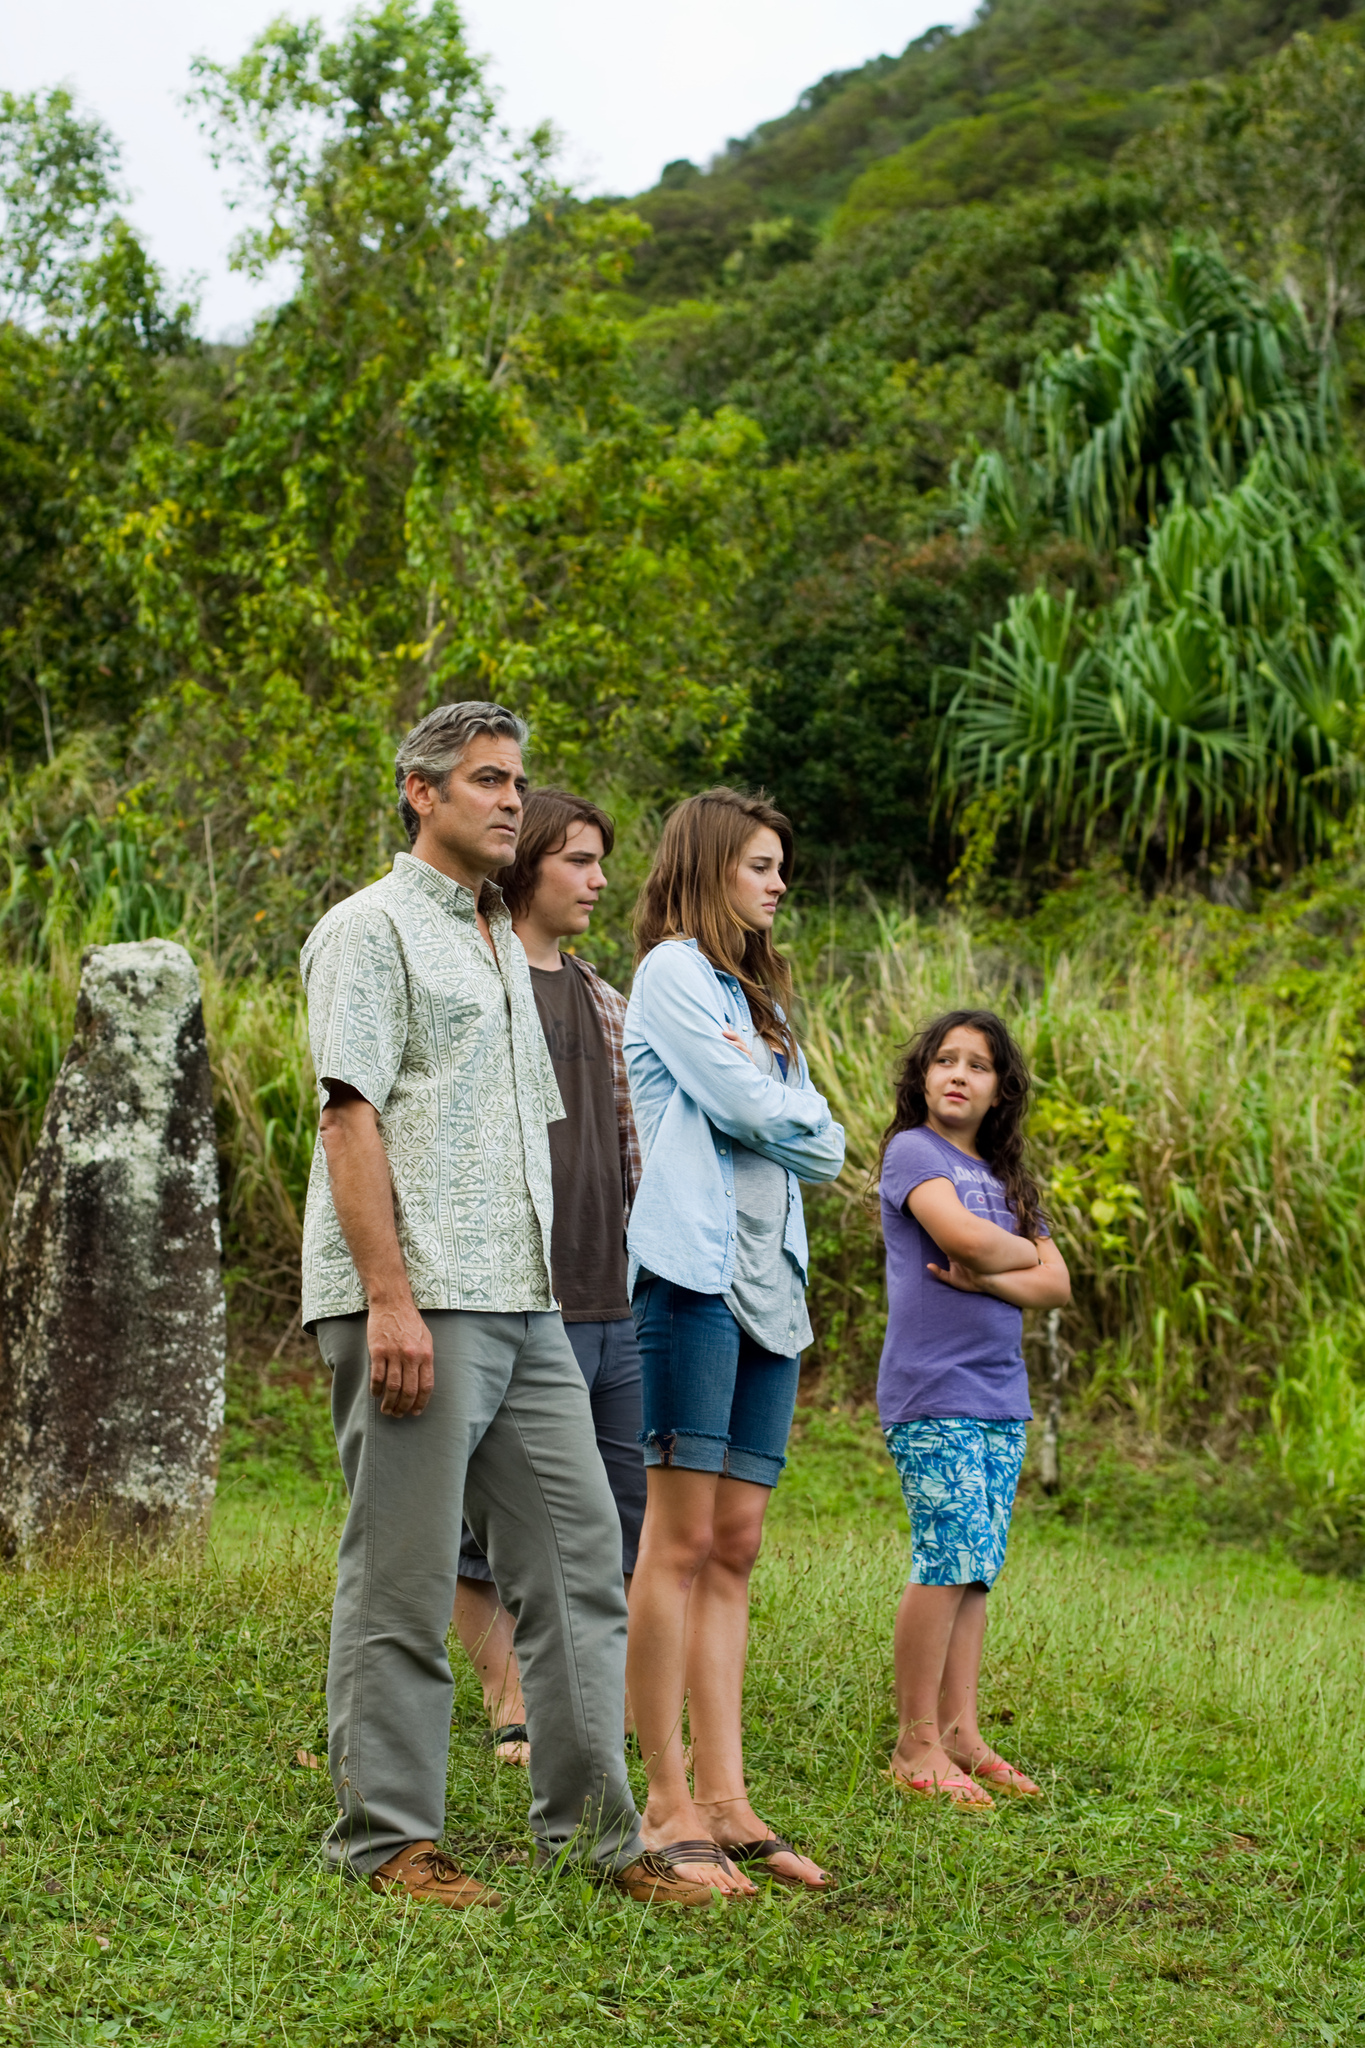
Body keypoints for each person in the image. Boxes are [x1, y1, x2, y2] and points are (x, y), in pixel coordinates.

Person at [299, 700, 714, 1910]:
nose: (508, 800)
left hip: (527, 1303)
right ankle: (388, 1842)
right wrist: (389, 1300)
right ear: (418, 792)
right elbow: (347, 1115)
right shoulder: (367, 930)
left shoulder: (496, 934)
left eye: (516, 781)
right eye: (484, 779)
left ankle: (601, 1839)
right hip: (417, 1304)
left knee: (582, 1561)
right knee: (406, 1573)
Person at [622, 787, 845, 1897]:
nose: (776, 883)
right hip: (691, 1277)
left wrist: (791, 1112)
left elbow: (820, 1142)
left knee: (738, 1542)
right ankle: (663, 1804)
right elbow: (767, 1118)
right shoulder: (669, 973)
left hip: (771, 1290)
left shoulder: (760, 1001)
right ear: (710, 865)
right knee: (677, 1536)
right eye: (759, 864)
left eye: (781, 867)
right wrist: (790, 1112)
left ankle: (727, 1791)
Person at [451, 788, 646, 1768]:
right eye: (578, 859)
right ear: (527, 862)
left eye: (601, 860)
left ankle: (588, 1701)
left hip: (613, 1295)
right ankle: (508, 1693)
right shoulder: (474, 981)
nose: (598, 879)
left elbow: (626, 1153)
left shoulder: (605, 998)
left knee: (619, 1515)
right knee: (481, 1525)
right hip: (517, 1298)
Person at [874, 1009, 1071, 1812]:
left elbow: (1054, 1286)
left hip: (999, 1395)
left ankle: (961, 1732)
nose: (958, 1074)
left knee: (976, 1572)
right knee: (945, 1558)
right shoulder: (911, 1153)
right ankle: (914, 1742)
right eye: (944, 1060)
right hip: (933, 1389)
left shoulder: (1007, 1177)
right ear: (922, 1076)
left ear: (1000, 1090)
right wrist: (1011, 1255)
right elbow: (964, 1238)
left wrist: (992, 1270)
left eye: (978, 1065)